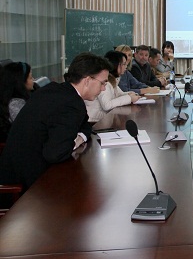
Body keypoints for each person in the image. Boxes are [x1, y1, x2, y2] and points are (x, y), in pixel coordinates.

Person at [0, 52, 112, 189]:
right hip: (26, 183)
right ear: (87, 80)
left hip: (17, 168)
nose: (103, 88)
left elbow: (85, 125)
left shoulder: (57, 90)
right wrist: (75, 141)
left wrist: (80, 137)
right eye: (103, 83)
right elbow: (55, 153)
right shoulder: (71, 104)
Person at [85, 51, 140, 122]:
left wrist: (130, 94)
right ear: (115, 65)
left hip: (104, 120)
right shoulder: (106, 82)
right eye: (124, 64)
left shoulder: (114, 80)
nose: (126, 67)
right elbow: (107, 105)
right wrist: (129, 98)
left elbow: (119, 94)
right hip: (94, 122)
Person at [0, 62, 35, 142]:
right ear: (20, 82)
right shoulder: (15, 104)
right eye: (30, 77)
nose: (33, 79)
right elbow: (29, 128)